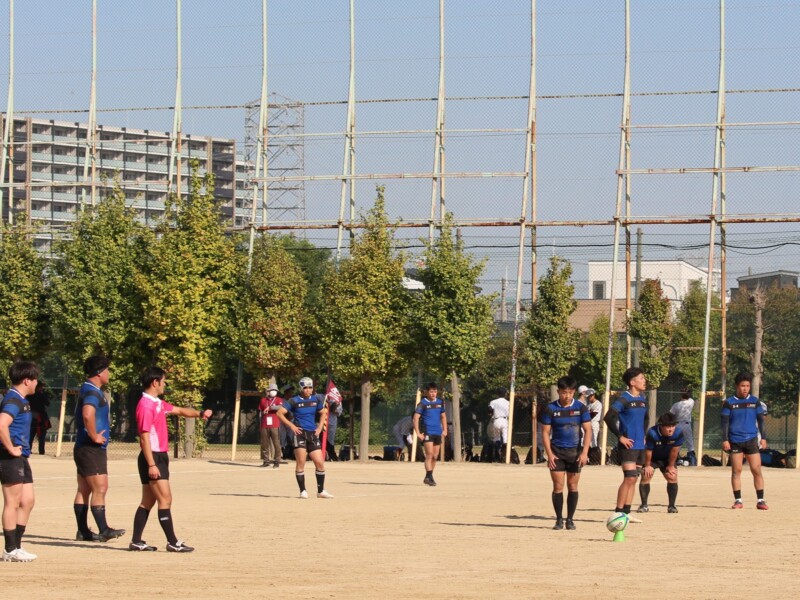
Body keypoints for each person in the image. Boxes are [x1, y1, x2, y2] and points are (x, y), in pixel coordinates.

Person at [128, 366, 212, 552]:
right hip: (153, 457)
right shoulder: (146, 406)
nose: (164, 384)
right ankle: (173, 542)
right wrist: (151, 464)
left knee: (148, 501)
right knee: (165, 499)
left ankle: (136, 541)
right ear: (155, 382)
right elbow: (144, 437)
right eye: (163, 381)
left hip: (158, 456)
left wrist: (200, 414)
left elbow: (180, 410)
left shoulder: (156, 403)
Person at [73, 355, 126, 543]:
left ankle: (83, 531)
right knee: (100, 487)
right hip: (90, 448)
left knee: (84, 489)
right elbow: (88, 414)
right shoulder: (92, 392)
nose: (109, 373)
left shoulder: (89, 389)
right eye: (107, 370)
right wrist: (94, 435)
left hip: (84, 447)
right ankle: (104, 530)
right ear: (99, 373)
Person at [539, 376, 592, 530]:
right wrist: (549, 454)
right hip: (557, 452)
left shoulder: (581, 408)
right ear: (558, 392)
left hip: (575, 453)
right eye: (563, 393)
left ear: (574, 392)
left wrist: (584, 453)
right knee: (558, 486)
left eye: (569, 393)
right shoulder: (550, 409)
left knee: (573, 486)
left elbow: (588, 430)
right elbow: (545, 433)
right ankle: (558, 519)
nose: (566, 396)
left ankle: (570, 519)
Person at [0, 361, 40, 562]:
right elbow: (1, 424)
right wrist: (10, 448)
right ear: (27, 380)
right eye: (35, 379)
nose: (37, 383)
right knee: (13, 502)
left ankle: (17, 546)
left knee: (27, 501)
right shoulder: (13, 400)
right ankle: (9, 549)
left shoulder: (21, 399)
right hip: (10, 458)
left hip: (22, 457)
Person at [276, 377, 333, 499]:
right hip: (300, 433)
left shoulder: (316, 400)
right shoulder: (293, 401)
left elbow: (323, 412)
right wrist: (291, 426)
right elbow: (279, 413)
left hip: (312, 434)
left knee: (319, 462)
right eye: (306, 388)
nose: (308, 390)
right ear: (301, 388)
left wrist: (320, 428)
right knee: (301, 462)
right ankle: (303, 491)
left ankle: (321, 491)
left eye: (310, 387)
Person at [604, 367, 648, 518]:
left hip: (640, 445)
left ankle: (627, 514)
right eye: (641, 378)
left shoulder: (642, 398)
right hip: (628, 446)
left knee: (634, 478)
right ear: (632, 382)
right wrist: (620, 436)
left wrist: (643, 434)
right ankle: (618, 512)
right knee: (629, 477)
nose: (644, 381)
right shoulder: (624, 398)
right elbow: (608, 417)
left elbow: (646, 417)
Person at [721, 372, 768, 510]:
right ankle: (738, 500)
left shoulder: (755, 401)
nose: (745, 388)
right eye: (742, 386)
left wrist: (763, 438)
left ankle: (761, 500)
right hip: (735, 440)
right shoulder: (729, 402)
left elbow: (761, 421)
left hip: (751, 440)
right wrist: (725, 439)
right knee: (737, 470)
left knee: (756, 469)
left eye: (747, 386)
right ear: (737, 386)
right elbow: (724, 423)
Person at [640, 412, 684, 513]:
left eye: (673, 426)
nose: (671, 429)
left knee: (672, 476)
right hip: (652, 458)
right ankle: (644, 505)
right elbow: (648, 451)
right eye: (668, 426)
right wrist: (647, 466)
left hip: (667, 458)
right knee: (645, 475)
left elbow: (675, 451)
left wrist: (671, 466)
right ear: (661, 426)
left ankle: (672, 506)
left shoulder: (678, 433)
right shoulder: (652, 433)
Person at [413, 382, 447, 486]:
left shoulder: (440, 402)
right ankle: (430, 477)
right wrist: (418, 433)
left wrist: (445, 429)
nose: (433, 394)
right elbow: (415, 418)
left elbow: (443, 417)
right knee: (429, 454)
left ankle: (428, 476)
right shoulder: (422, 403)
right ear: (426, 392)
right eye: (431, 392)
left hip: (438, 432)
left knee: (435, 456)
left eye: (435, 392)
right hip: (428, 432)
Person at [258, 383, 283, 468]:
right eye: (272, 390)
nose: (274, 392)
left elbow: (280, 407)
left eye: (275, 390)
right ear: (268, 391)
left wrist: (271, 408)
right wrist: (260, 424)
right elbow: (260, 412)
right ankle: (266, 461)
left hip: (275, 424)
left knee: (276, 443)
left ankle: (277, 461)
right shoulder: (263, 400)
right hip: (265, 424)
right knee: (265, 444)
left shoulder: (278, 399)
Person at [670, 391, 696, 466]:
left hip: (678, 424)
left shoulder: (676, 405)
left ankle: (675, 460)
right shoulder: (691, 401)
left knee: (677, 442)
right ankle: (692, 460)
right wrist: (686, 392)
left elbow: (671, 414)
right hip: (687, 424)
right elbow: (688, 397)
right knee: (690, 443)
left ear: (681, 395)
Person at [27, 382, 51, 456]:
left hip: (31, 416)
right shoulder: (41, 395)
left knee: (30, 435)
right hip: (40, 417)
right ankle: (41, 451)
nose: (42, 388)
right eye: (41, 387)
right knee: (41, 436)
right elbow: (47, 403)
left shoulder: (29, 395)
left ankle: (28, 450)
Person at [488, 388, 510, 462]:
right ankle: (505, 456)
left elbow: (490, 412)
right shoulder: (508, 402)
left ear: (497, 394)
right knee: (505, 438)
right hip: (504, 420)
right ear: (505, 394)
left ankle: (496, 456)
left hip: (496, 420)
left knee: (496, 438)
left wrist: (491, 415)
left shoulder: (493, 402)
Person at [323, 394, 343, 462]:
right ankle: (323, 455)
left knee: (330, 440)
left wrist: (334, 407)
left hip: (332, 423)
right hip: (322, 422)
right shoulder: (323, 398)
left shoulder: (338, 401)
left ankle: (332, 456)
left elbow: (338, 413)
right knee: (321, 439)